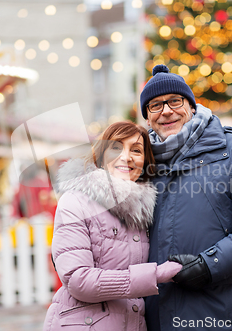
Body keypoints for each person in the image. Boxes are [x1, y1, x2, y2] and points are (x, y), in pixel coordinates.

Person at [140, 64, 232, 331]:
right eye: (155, 105)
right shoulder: (139, 163)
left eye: (175, 101)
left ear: (192, 106)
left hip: (220, 312)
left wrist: (209, 265)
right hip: (155, 316)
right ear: (147, 118)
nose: (167, 111)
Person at [43, 121, 183, 331]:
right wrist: (154, 275)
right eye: (116, 147)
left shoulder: (145, 210)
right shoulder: (76, 201)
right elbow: (78, 280)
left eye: (136, 150)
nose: (126, 157)